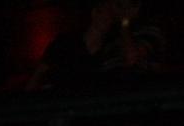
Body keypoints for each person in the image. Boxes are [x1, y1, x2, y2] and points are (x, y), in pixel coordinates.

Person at [26, 0, 165, 92]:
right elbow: (38, 74)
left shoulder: (123, 39)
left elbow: (131, 58)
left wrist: (124, 21)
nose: (111, 15)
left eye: (115, 11)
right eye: (108, 9)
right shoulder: (65, 42)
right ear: (95, 11)